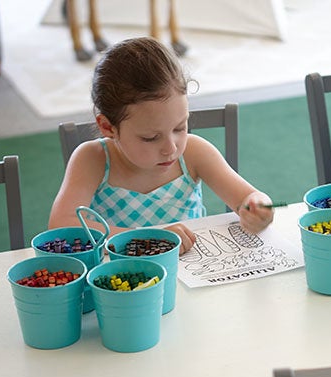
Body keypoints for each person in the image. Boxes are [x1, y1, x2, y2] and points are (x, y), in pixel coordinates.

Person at [48, 37, 274, 254]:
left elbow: (248, 197)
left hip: (192, 276)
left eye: (179, 128)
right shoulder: (93, 159)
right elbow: (62, 226)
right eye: (150, 137)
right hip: (124, 283)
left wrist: (258, 206)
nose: (171, 148)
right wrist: (146, 240)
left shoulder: (195, 152)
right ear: (108, 127)